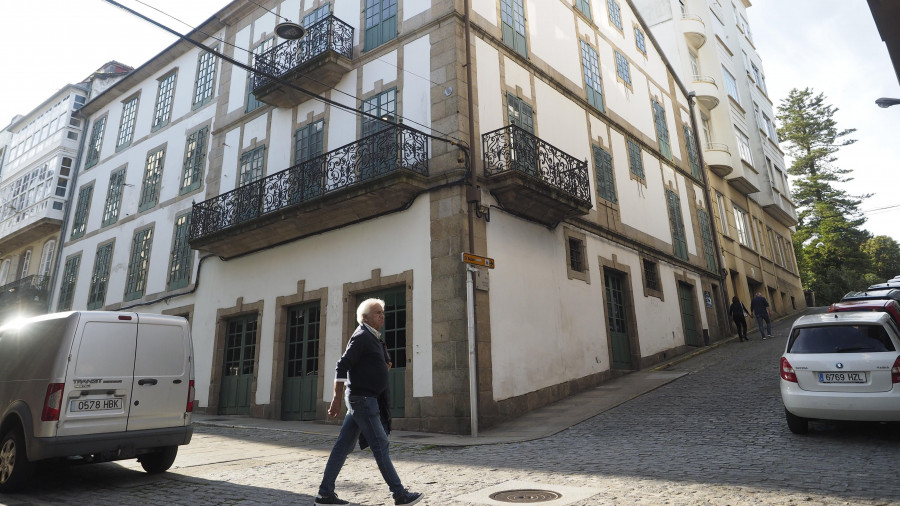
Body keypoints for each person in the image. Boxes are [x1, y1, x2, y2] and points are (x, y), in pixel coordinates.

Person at [314, 298, 423, 506]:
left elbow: (367, 366)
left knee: (342, 447)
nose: (382, 315)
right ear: (365, 318)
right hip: (363, 401)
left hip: (363, 400)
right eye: (377, 312)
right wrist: (336, 397)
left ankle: (325, 494)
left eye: (382, 312)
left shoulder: (373, 337)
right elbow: (342, 365)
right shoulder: (362, 336)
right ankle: (399, 494)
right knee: (380, 445)